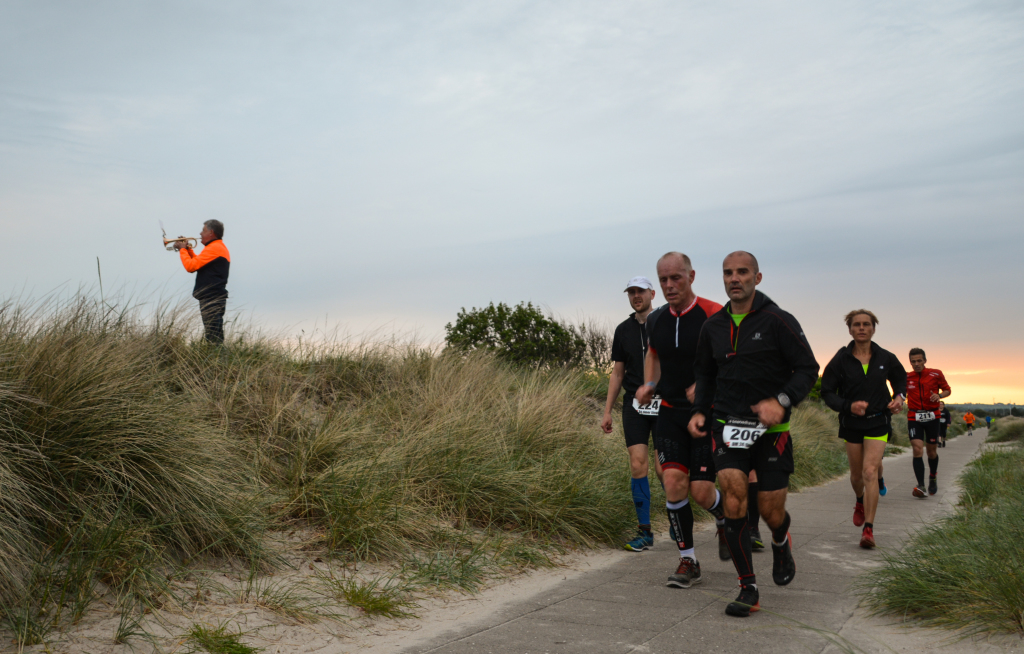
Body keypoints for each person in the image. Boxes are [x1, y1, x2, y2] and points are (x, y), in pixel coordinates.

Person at [689, 251, 819, 617]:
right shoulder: (713, 327)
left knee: (771, 510)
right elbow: (705, 374)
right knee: (734, 500)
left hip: (772, 430)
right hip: (727, 424)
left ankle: (780, 539)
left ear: (757, 278)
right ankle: (748, 587)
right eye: (728, 273)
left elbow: (807, 368)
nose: (735, 278)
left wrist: (781, 401)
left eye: (742, 272)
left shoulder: (778, 320)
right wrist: (700, 411)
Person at [634, 252, 726, 588]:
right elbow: (653, 353)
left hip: (706, 413)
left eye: (676, 278)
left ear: (691, 276)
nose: (670, 285)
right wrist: (649, 383)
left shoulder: (714, 313)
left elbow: (731, 360)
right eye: (664, 279)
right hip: (670, 412)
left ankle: (723, 515)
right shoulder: (656, 319)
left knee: (701, 492)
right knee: (672, 483)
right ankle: (688, 561)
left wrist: (705, 384)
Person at [820, 310, 906, 549]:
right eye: (856, 324)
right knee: (857, 476)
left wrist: (899, 397)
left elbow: (901, 380)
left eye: (866, 324)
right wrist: (848, 406)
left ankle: (868, 529)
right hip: (851, 423)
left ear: (873, 329)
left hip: (878, 420)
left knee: (870, 472)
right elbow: (827, 391)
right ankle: (859, 500)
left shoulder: (886, 357)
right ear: (850, 330)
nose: (861, 328)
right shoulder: (841, 359)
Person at [602, 276, 665, 551]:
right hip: (634, 405)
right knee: (638, 464)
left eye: (641, 291)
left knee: (664, 468)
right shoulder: (623, 330)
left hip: (665, 403)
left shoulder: (666, 322)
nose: (636, 296)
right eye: (631, 292)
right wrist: (607, 411)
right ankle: (644, 531)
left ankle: (679, 517)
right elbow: (618, 373)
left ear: (653, 293)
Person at [176, 220, 230, 344]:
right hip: (214, 296)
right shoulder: (215, 247)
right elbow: (198, 263)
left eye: (203, 230)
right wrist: (188, 250)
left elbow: (190, 267)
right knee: (214, 334)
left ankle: (215, 356)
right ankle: (217, 355)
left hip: (212, 297)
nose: (200, 233)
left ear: (211, 232)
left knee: (213, 336)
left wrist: (182, 250)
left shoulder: (214, 248)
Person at [906, 349, 950, 497]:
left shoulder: (936, 374)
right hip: (914, 417)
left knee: (931, 452)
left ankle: (933, 476)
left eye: (919, 361)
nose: (916, 364)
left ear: (925, 360)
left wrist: (939, 395)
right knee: (917, 449)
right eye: (913, 361)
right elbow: (899, 392)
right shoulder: (907, 377)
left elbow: (947, 390)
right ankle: (921, 486)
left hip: (932, 417)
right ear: (910, 362)